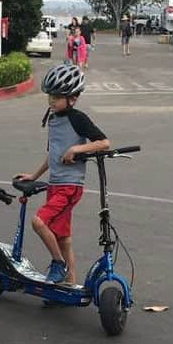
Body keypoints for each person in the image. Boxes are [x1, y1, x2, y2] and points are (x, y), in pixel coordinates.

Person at [14, 64, 110, 284]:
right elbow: (53, 154)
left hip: (70, 186)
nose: (51, 101)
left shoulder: (78, 118)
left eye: (57, 97)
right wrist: (35, 175)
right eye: (50, 97)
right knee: (63, 237)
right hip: (55, 184)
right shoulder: (54, 119)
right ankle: (69, 283)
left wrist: (77, 149)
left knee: (39, 222)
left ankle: (58, 264)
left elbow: (104, 143)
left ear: (73, 98)